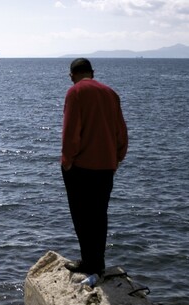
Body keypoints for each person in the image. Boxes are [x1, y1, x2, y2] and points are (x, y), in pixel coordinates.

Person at [61, 58, 128, 276]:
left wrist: (67, 161)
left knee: (81, 215)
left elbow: (71, 131)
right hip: (106, 166)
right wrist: (117, 158)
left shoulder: (76, 92)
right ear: (92, 72)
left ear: (72, 75)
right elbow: (121, 131)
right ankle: (97, 262)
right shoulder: (111, 93)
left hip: (82, 166)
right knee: (99, 215)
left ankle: (88, 262)